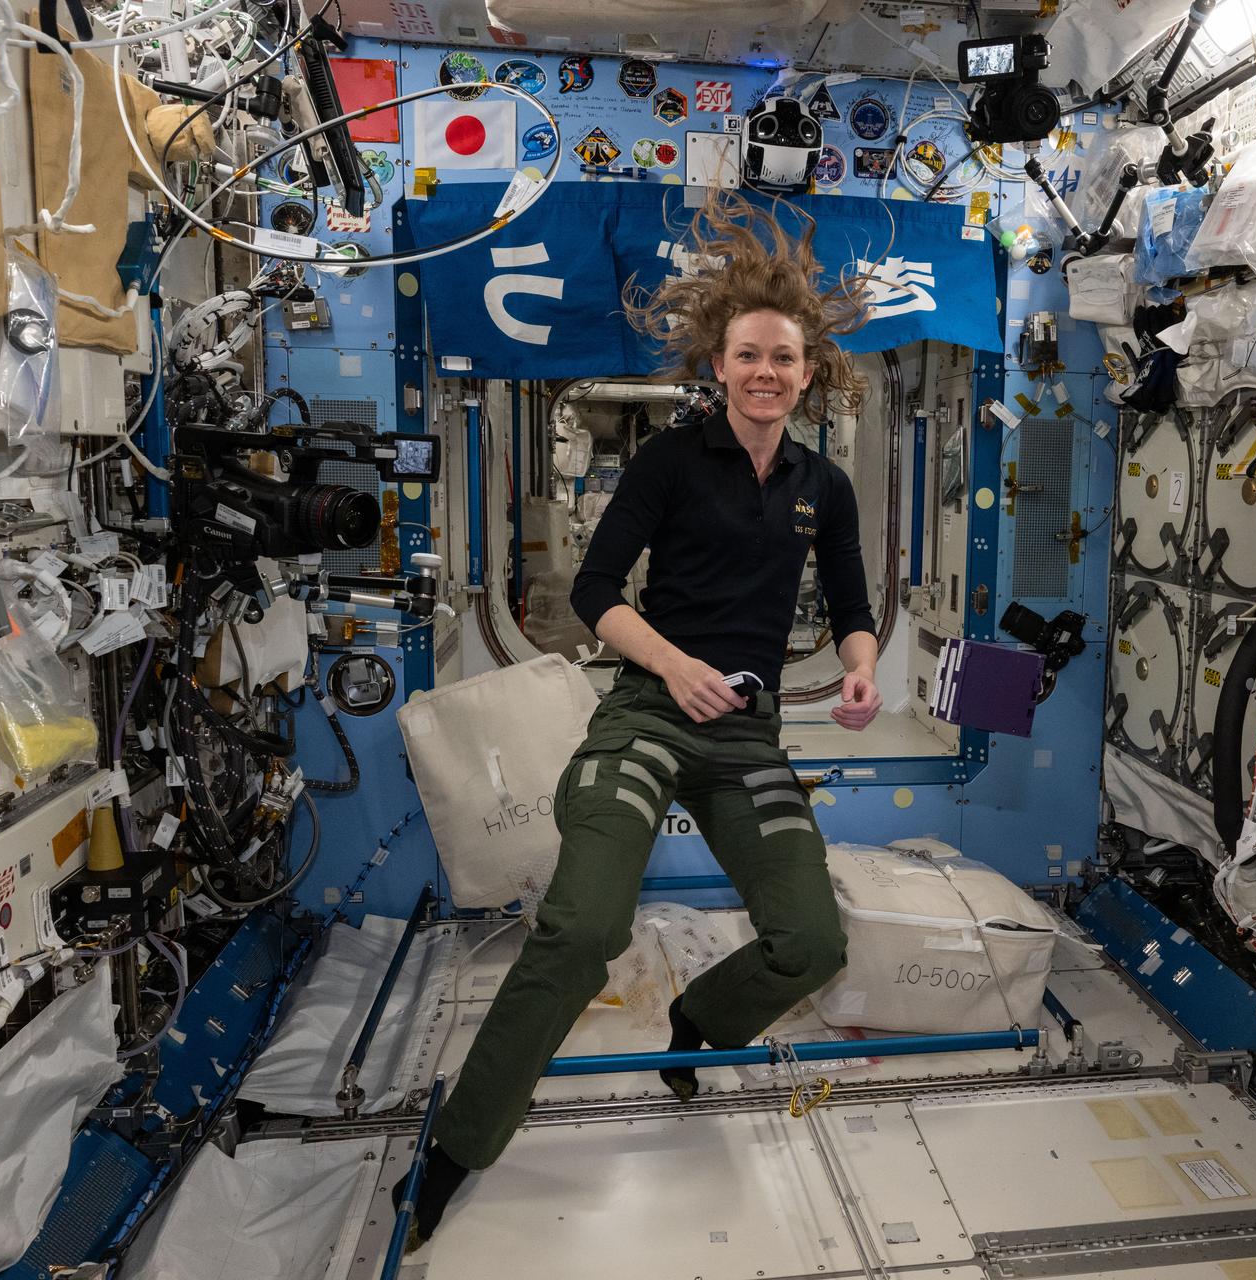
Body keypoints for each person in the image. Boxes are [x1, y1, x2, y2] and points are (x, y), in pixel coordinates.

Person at [398, 194, 883, 1246]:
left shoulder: (825, 486)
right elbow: (598, 590)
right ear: (719, 363)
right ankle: (458, 1144)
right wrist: (678, 665)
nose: (765, 372)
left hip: (746, 735)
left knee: (812, 939)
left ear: (809, 374)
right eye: (748, 354)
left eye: (784, 360)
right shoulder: (670, 462)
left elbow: (853, 607)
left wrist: (859, 671)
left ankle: (700, 1020)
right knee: (581, 929)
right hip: (649, 716)